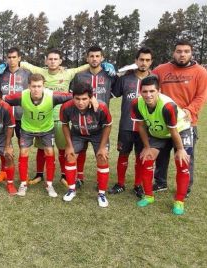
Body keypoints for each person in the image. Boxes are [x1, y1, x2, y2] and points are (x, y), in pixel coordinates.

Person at [19, 49, 115, 185]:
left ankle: (64, 175)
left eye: (55, 59)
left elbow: (87, 65)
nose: (52, 61)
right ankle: (39, 174)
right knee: (42, 148)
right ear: (46, 60)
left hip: (60, 117)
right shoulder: (40, 71)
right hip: (44, 118)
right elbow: (22, 63)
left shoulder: (67, 73)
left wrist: (104, 64)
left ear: (60, 61)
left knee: (63, 148)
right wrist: (5, 65)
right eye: (50, 59)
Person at [151, 40, 207, 195]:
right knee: (161, 156)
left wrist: (189, 110)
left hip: (186, 123)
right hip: (164, 123)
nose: (182, 54)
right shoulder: (160, 70)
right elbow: (148, 86)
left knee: (185, 156)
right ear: (173, 52)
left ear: (191, 53)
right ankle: (160, 182)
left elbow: (201, 96)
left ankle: (185, 187)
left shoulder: (200, 72)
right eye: (179, 51)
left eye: (186, 51)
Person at [130, 76, 191, 215]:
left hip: (180, 130)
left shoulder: (167, 106)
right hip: (159, 132)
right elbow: (141, 127)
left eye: (152, 91)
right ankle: (149, 196)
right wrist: (146, 147)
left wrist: (180, 149)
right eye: (145, 91)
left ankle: (179, 201)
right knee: (147, 159)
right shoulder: (136, 103)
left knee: (182, 161)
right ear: (140, 92)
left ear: (159, 91)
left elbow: (173, 130)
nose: (148, 95)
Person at [4, 74, 71, 197]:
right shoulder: (21, 96)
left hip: (46, 129)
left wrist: (92, 98)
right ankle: (23, 183)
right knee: (23, 153)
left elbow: (73, 96)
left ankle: (49, 184)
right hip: (27, 128)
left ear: (43, 86)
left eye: (39, 86)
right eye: (33, 86)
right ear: (28, 86)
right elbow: (2, 99)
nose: (36, 89)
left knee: (50, 153)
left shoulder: (53, 96)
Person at [68, 46, 116, 188]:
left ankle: (100, 184)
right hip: (80, 120)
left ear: (102, 58)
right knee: (80, 150)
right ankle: (79, 178)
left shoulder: (109, 75)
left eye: (97, 56)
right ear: (87, 58)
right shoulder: (80, 76)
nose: (94, 59)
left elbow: (117, 92)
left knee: (101, 155)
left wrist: (116, 75)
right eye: (91, 56)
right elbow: (73, 95)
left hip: (100, 123)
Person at [108, 47, 153, 197]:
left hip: (146, 128)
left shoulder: (154, 81)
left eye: (147, 60)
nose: (144, 63)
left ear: (151, 62)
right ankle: (120, 183)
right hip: (126, 126)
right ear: (136, 61)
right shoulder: (125, 79)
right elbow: (111, 94)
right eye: (141, 59)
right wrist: (113, 76)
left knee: (141, 156)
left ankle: (137, 185)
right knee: (123, 155)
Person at [60, 83, 112, 208]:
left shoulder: (101, 107)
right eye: (77, 99)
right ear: (73, 97)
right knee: (70, 156)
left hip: (98, 134)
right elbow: (65, 125)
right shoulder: (66, 107)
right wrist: (69, 145)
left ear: (90, 98)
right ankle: (72, 189)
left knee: (102, 158)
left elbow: (108, 125)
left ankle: (101, 193)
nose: (80, 102)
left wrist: (102, 147)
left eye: (84, 99)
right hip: (77, 133)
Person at [0, 47, 31, 182]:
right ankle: (4, 171)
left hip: (22, 116)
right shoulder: (1, 74)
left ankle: (24, 173)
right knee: (5, 144)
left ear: (19, 58)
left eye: (14, 57)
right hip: (4, 116)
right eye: (9, 57)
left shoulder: (27, 73)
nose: (11, 60)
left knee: (23, 146)